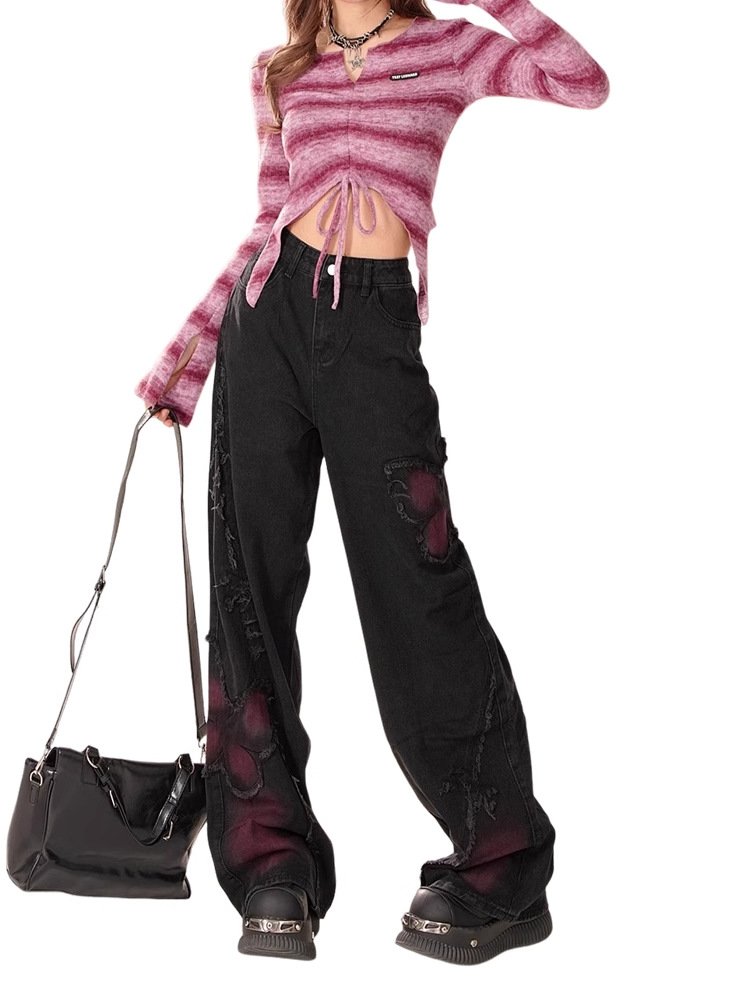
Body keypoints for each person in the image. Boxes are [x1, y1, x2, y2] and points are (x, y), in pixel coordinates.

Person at [135, 0, 608, 965]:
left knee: (420, 587)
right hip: (266, 328)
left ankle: (502, 862)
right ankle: (271, 868)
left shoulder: (448, 48)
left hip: (373, 335)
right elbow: (265, 222)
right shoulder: (281, 71)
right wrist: (186, 360)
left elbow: (582, 83)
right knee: (248, 588)